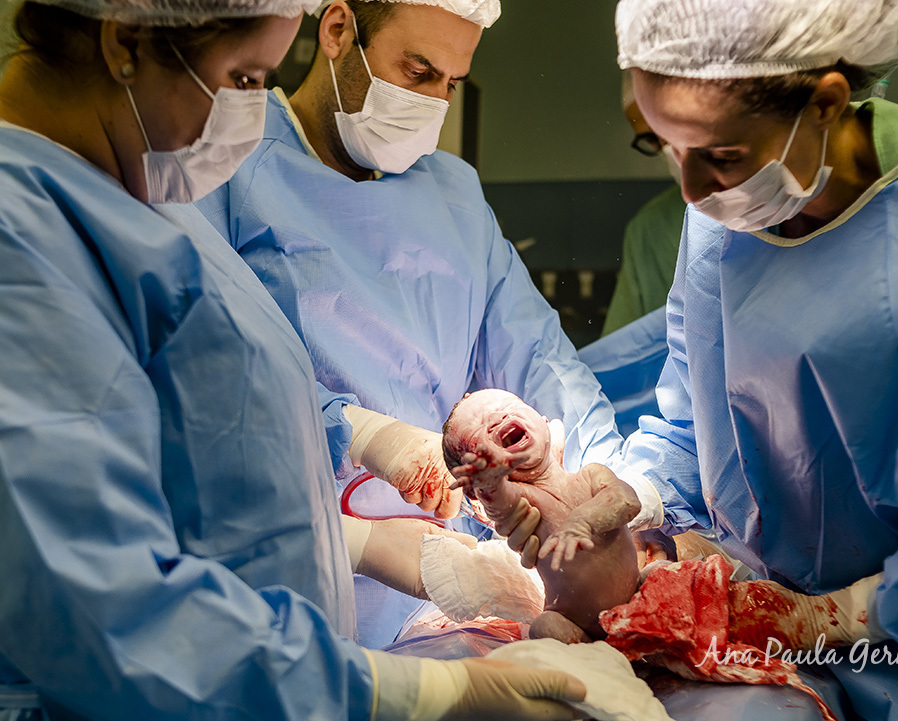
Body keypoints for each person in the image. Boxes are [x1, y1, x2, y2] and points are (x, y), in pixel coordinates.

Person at [0, 0, 587, 717]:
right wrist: (419, 690)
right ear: (124, 43)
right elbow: (97, 608)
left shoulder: (134, 197)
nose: (251, 116)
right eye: (245, 78)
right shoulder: (21, 235)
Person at [512, 0, 898, 718]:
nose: (689, 190)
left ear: (826, 103)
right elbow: (694, 421)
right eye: (662, 145)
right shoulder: (725, 211)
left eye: (720, 155)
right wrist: (638, 499)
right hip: (777, 658)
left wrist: (827, 619)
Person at [189, 0, 624, 647]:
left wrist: (598, 478)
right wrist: (365, 434)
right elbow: (207, 366)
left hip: (459, 577)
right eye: (418, 72)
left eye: (451, 83)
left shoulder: (453, 192)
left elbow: (538, 356)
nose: (435, 102)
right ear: (337, 31)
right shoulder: (225, 165)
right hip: (292, 564)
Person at [601, 71, 686, 336]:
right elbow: (621, 349)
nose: (667, 149)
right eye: (652, 139)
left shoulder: (775, 206)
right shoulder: (649, 230)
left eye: (667, 127)